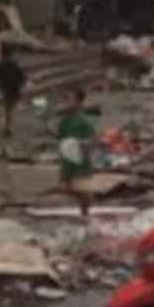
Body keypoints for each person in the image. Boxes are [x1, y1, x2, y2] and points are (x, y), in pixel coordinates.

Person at [57, 84, 99, 216]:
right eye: (65, 99)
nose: (66, 103)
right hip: (67, 160)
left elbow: (93, 140)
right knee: (67, 187)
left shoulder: (85, 122)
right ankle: (85, 207)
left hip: (81, 161)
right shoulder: (64, 122)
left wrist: (81, 144)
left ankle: (86, 212)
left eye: (69, 99)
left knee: (82, 190)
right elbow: (61, 139)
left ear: (79, 102)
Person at [0, 40, 26, 143]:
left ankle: (8, 126)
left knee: (7, 108)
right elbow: (22, 76)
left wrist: (0, 85)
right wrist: (22, 84)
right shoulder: (15, 64)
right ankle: (9, 127)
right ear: (12, 53)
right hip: (14, 88)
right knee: (11, 108)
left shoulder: (1, 64)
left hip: (6, 88)